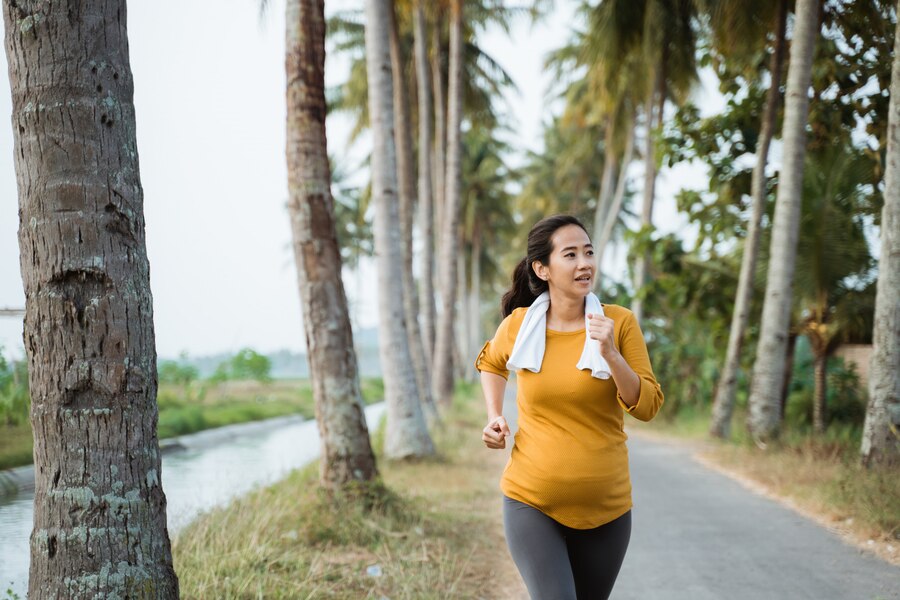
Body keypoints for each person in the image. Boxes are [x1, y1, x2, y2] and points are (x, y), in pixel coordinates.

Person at [474, 214, 664, 599]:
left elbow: (647, 405)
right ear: (541, 268)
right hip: (532, 502)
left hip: (608, 510)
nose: (584, 263)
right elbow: (491, 362)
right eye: (571, 254)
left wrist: (610, 353)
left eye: (589, 253)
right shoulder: (519, 325)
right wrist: (495, 416)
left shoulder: (619, 323)